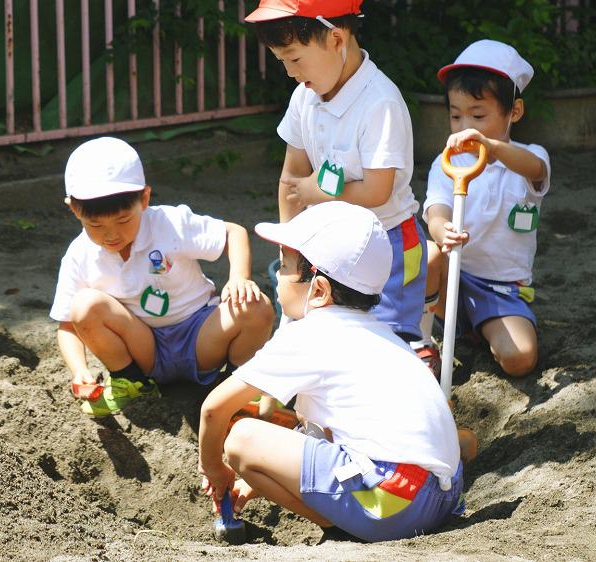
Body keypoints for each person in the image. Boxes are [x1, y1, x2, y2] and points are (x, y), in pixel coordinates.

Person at [198, 201, 465, 542]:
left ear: (319, 290)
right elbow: (324, 435)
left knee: (242, 438)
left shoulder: (309, 335)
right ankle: (348, 521)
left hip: (395, 504)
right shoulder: (381, 333)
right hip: (442, 495)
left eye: (283, 267)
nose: (277, 278)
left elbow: (213, 409)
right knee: (293, 439)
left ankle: (342, 528)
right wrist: (256, 480)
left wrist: (214, 469)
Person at [245, 0, 431, 362]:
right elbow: (290, 178)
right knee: (329, 339)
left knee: (382, 344)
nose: (289, 73)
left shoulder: (380, 103)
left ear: (335, 39)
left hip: (390, 243)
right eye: (281, 61)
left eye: (295, 59)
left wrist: (319, 191)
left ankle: (417, 358)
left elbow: (378, 190)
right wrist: (290, 249)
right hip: (330, 247)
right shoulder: (304, 98)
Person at [49, 137, 275, 417]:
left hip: (200, 336)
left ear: (144, 199)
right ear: (74, 209)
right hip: (144, 349)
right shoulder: (79, 254)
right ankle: (131, 381)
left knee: (257, 307)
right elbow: (68, 325)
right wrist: (79, 369)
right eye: (95, 224)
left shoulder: (170, 223)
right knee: (84, 305)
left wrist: (239, 277)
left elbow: (233, 232)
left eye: (123, 221)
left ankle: (238, 386)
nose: (111, 235)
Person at [421, 40, 549, 378]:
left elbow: (536, 169)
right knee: (431, 255)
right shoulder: (446, 162)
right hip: (453, 277)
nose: (466, 127)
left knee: (520, 358)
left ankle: (478, 325)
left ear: (514, 112)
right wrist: (441, 229)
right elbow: (436, 209)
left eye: (478, 115)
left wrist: (493, 149)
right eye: (455, 115)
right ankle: (423, 335)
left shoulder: (527, 158)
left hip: (501, 289)